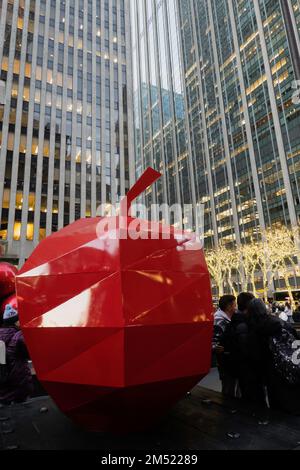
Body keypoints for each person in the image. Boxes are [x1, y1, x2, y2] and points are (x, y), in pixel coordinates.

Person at [222, 292, 255, 401]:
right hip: (246, 367)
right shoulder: (246, 323)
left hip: (236, 366)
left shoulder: (233, 321)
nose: (235, 306)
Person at [0, 304, 32, 404]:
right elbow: (29, 354)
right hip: (18, 380)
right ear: (15, 322)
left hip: (3, 378)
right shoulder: (19, 336)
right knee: (21, 409)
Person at [212, 295, 237, 397]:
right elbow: (215, 343)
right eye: (234, 304)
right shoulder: (220, 321)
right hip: (225, 361)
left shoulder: (224, 319)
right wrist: (218, 348)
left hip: (227, 360)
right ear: (229, 306)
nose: (236, 307)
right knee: (228, 387)